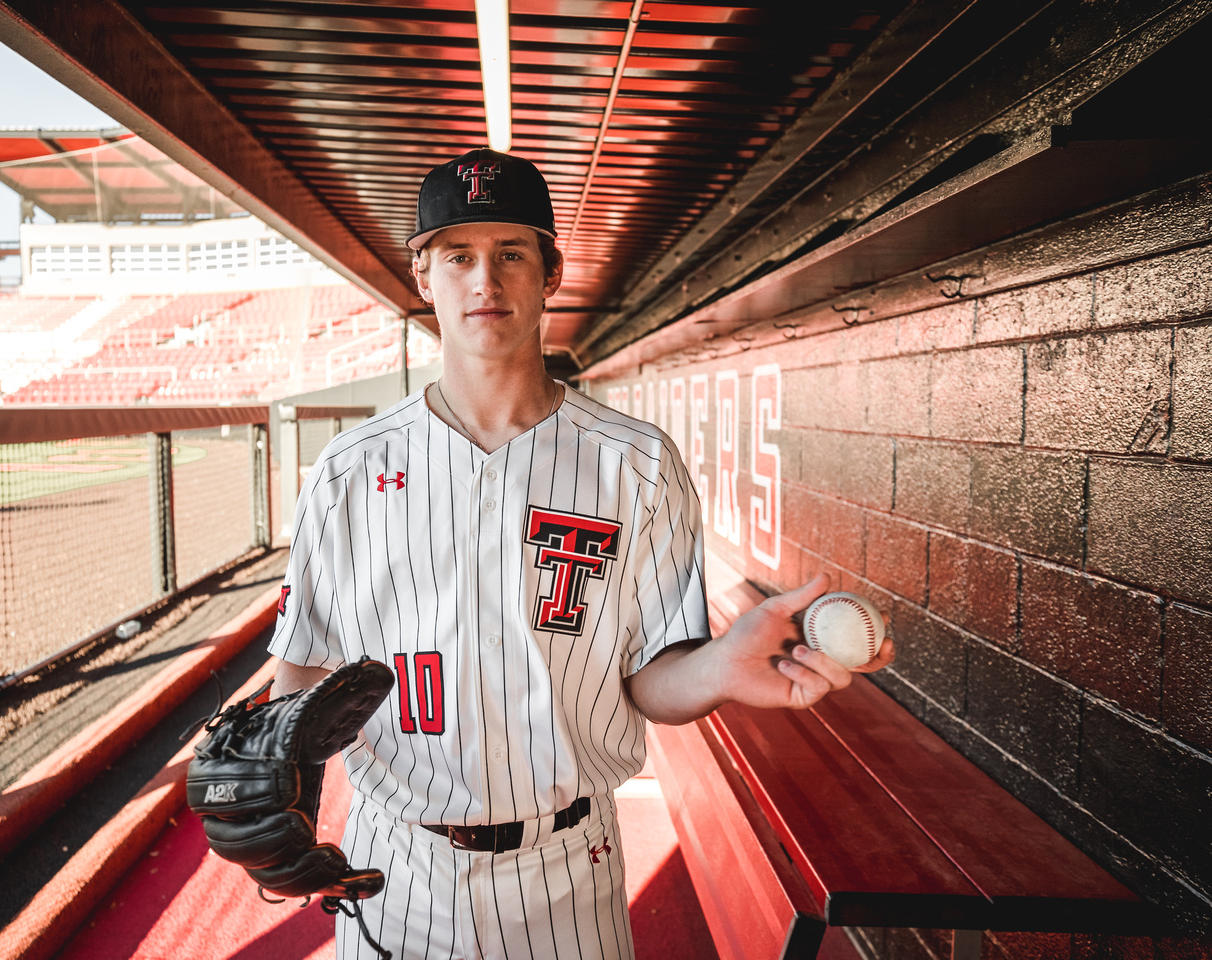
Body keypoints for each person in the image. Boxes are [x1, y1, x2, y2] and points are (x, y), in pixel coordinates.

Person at [267, 147, 895, 959]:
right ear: (423, 277)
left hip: (570, 870)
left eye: (511, 254)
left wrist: (720, 669)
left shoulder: (637, 460)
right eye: (457, 255)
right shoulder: (349, 471)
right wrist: (281, 797)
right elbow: (302, 670)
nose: (483, 281)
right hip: (397, 864)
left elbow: (651, 681)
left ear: (550, 273)